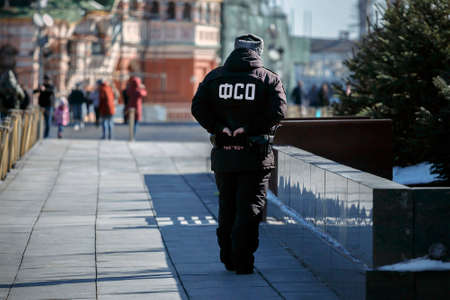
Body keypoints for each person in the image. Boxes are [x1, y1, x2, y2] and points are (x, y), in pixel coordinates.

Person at [191, 34, 287, 274]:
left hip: (224, 155)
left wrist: (218, 127)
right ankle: (242, 261)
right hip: (256, 156)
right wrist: (250, 129)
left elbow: (197, 107)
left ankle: (227, 257)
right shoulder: (268, 79)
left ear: (235, 50)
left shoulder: (215, 77)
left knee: (227, 206)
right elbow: (279, 111)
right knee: (250, 208)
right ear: (258, 52)